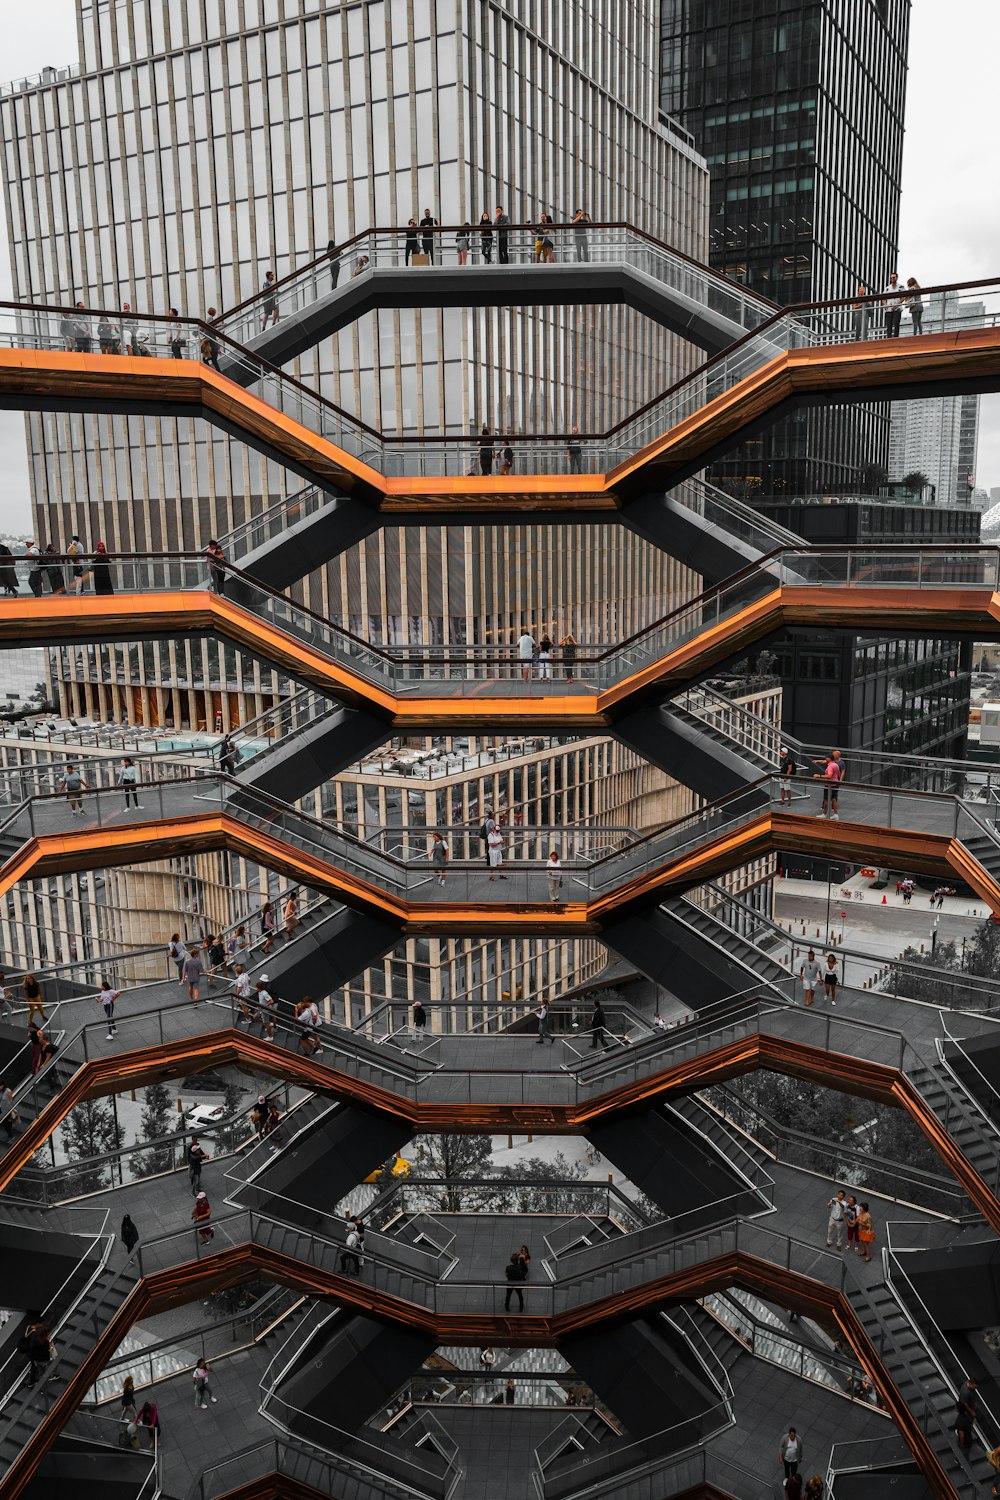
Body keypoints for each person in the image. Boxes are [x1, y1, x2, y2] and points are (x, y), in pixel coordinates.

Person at [22, 1319, 54, 1386]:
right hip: (35, 1355)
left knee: (36, 1368)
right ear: (37, 1324)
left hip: (30, 1352)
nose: (41, 1325)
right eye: (41, 1324)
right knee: (41, 1366)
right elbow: (37, 1346)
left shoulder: (29, 1328)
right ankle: (50, 1376)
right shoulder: (35, 1334)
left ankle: (35, 1382)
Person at [813, 750, 843, 818]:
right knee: (834, 799)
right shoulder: (835, 764)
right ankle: (836, 814)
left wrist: (819, 776)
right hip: (835, 784)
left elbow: (829, 776)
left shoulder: (830, 766)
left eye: (826, 758)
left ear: (829, 759)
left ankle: (825, 814)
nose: (825, 759)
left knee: (826, 799)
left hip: (829, 784)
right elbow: (838, 773)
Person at [882, 272, 903, 339]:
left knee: (896, 324)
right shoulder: (887, 288)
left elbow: (903, 297)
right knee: (889, 325)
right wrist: (885, 305)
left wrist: (897, 305)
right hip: (888, 310)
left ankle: (896, 338)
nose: (892, 279)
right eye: (891, 278)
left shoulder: (901, 287)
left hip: (897, 309)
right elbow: (883, 298)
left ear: (897, 278)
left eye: (894, 277)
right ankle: (889, 339)